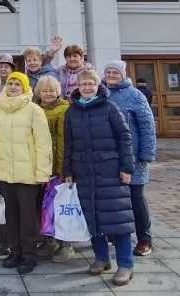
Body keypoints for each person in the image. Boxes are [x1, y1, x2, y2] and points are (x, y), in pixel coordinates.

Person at [64, 69, 136, 287]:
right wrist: (67, 171)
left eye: (91, 84)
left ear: (98, 85)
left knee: (118, 219)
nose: (87, 87)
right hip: (84, 172)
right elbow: (68, 144)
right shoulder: (72, 111)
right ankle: (101, 259)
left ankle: (125, 264)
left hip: (110, 171)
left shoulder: (109, 107)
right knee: (92, 217)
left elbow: (124, 138)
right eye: (83, 84)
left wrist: (127, 167)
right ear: (78, 85)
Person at [0, 71, 51, 275]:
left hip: (28, 175)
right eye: (10, 83)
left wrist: (42, 173)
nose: (13, 86)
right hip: (3, 173)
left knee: (28, 217)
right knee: (9, 216)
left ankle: (29, 254)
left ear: (25, 87)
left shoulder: (34, 110)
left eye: (17, 84)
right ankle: (15, 251)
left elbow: (43, 144)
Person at [103, 60, 157, 257]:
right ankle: (114, 234)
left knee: (136, 198)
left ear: (123, 74)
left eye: (114, 72)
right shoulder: (102, 94)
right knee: (113, 198)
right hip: (109, 157)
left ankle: (144, 239)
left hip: (133, 157)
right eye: (108, 72)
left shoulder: (136, 96)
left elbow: (147, 126)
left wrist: (146, 154)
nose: (111, 75)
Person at [34, 75, 74, 262]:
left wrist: (63, 170)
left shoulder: (65, 108)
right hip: (38, 166)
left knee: (61, 206)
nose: (48, 93)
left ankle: (65, 245)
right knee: (44, 206)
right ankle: (48, 241)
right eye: (44, 90)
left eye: (52, 90)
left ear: (58, 91)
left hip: (57, 167)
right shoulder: (34, 108)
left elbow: (63, 141)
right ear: (38, 92)